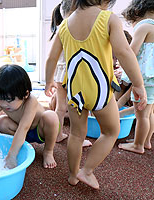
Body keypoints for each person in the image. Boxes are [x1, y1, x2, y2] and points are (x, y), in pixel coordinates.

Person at [45, 0, 147, 189]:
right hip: (99, 89)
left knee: (76, 134)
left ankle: (73, 175)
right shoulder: (108, 19)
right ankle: (87, 170)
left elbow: (51, 57)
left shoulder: (64, 24)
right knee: (111, 131)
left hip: (74, 91)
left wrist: (48, 81)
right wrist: (138, 84)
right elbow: (124, 52)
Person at [0, 64, 60, 169]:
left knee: (51, 116)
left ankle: (48, 151)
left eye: (9, 100)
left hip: (39, 131)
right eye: (0, 98)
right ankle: (22, 145)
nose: (4, 104)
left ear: (26, 94)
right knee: (1, 122)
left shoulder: (31, 101)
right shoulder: (2, 102)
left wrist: (12, 156)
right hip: (21, 133)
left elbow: (24, 127)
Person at [48, 0, 92, 147]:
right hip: (75, 73)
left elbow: (51, 58)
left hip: (60, 74)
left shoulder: (60, 29)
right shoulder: (75, 27)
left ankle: (57, 135)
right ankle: (79, 138)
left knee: (60, 108)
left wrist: (49, 80)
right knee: (79, 108)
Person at [118, 0, 154, 153]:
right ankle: (145, 141)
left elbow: (131, 52)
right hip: (152, 77)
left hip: (144, 78)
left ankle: (137, 145)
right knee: (149, 112)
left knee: (141, 115)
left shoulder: (143, 26)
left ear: (138, 11)